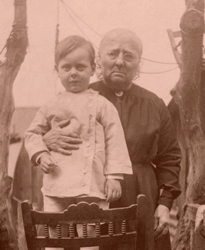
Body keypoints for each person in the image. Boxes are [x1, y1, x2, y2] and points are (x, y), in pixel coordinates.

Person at [41, 29, 181, 250]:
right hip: (89, 195)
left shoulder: (155, 104)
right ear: (99, 60)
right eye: (113, 53)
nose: (119, 62)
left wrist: (164, 204)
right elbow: (41, 133)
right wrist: (46, 140)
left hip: (141, 195)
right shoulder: (74, 98)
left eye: (128, 56)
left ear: (139, 64)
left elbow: (170, 158)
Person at [24, 35, 132, 250]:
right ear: (57, 70)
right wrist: (41, 154)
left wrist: (113, 177)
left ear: (93, 68)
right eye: (66, 67)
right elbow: (32, 134)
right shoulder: (50, 105)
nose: (73, 73)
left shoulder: (103, 105)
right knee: (54, 236)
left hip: (92, 185)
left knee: (90, 236)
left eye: (80, 67)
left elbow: (115, 140)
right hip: (57, 185)